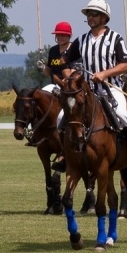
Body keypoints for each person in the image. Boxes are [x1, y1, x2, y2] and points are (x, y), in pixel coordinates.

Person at [60, 0, 127, 167]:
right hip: (86, 91)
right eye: (88, 14)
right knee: (62, 118)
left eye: (94, 14)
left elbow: (126, 64)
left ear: (104, 17)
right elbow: (64, 60)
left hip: (110, 89)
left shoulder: (115, 38)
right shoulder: (81, 40)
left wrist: (105, 73)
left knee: (122, 113)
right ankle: (64, 155)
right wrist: (68, 77)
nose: (90, 17)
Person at [38, 21, 72, 172]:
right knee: (38, 98)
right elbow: (50, 72)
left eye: (64, 35)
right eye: (58, 35)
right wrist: (42, 68)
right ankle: (36, 133)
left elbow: (76, 70)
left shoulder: (74, 50)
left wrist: (65, 83)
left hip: (69, 86)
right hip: (54, 85)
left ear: (69, 36)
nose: (61, 37)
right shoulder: (53, 51)